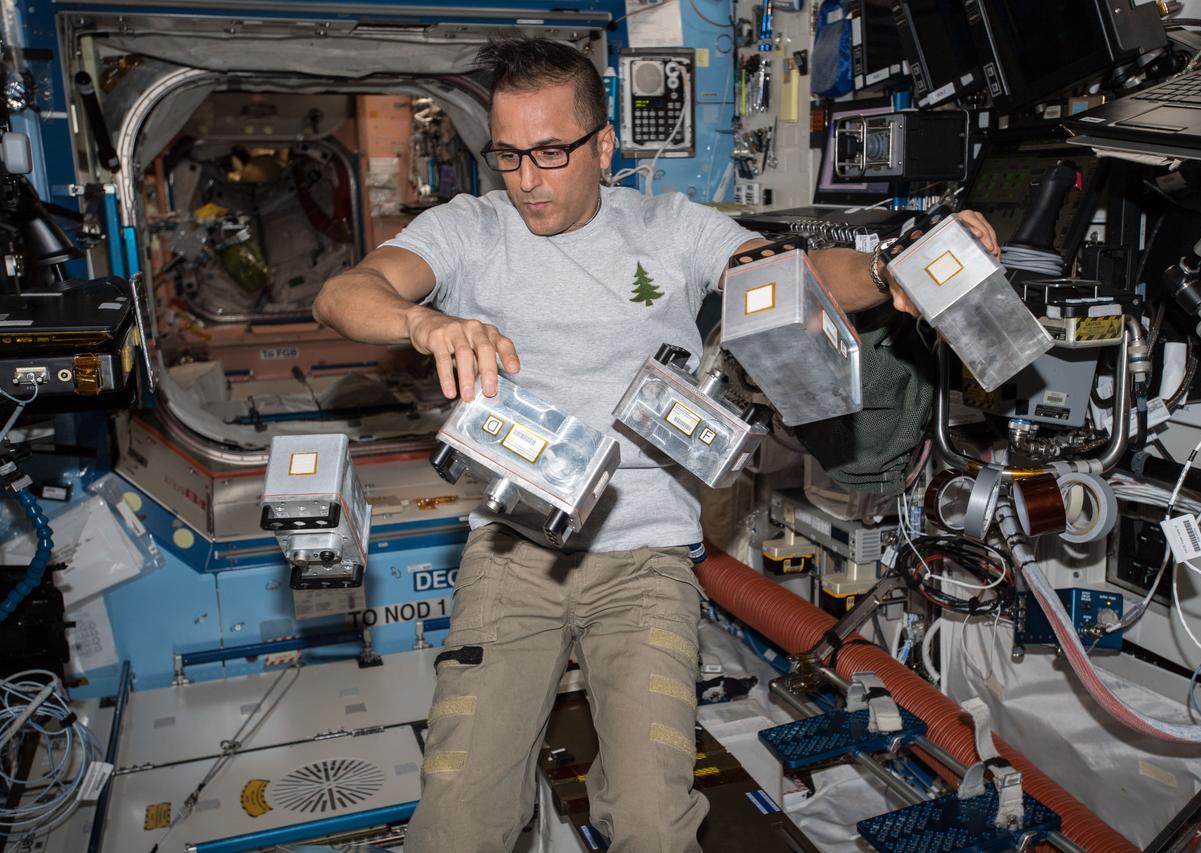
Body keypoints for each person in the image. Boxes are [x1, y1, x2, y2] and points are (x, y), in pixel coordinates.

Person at [313, 36, 999, 853]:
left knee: (653, 824)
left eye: (550, 153)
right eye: (508, 156)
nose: (526, 180)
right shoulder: (469, 230)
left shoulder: (672, 227)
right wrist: (425, 321)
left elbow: (783, 273)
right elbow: (341, 294)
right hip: (513, 553)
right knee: (459, 822)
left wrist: (892, 272)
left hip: (645, 562)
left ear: (603, 147)